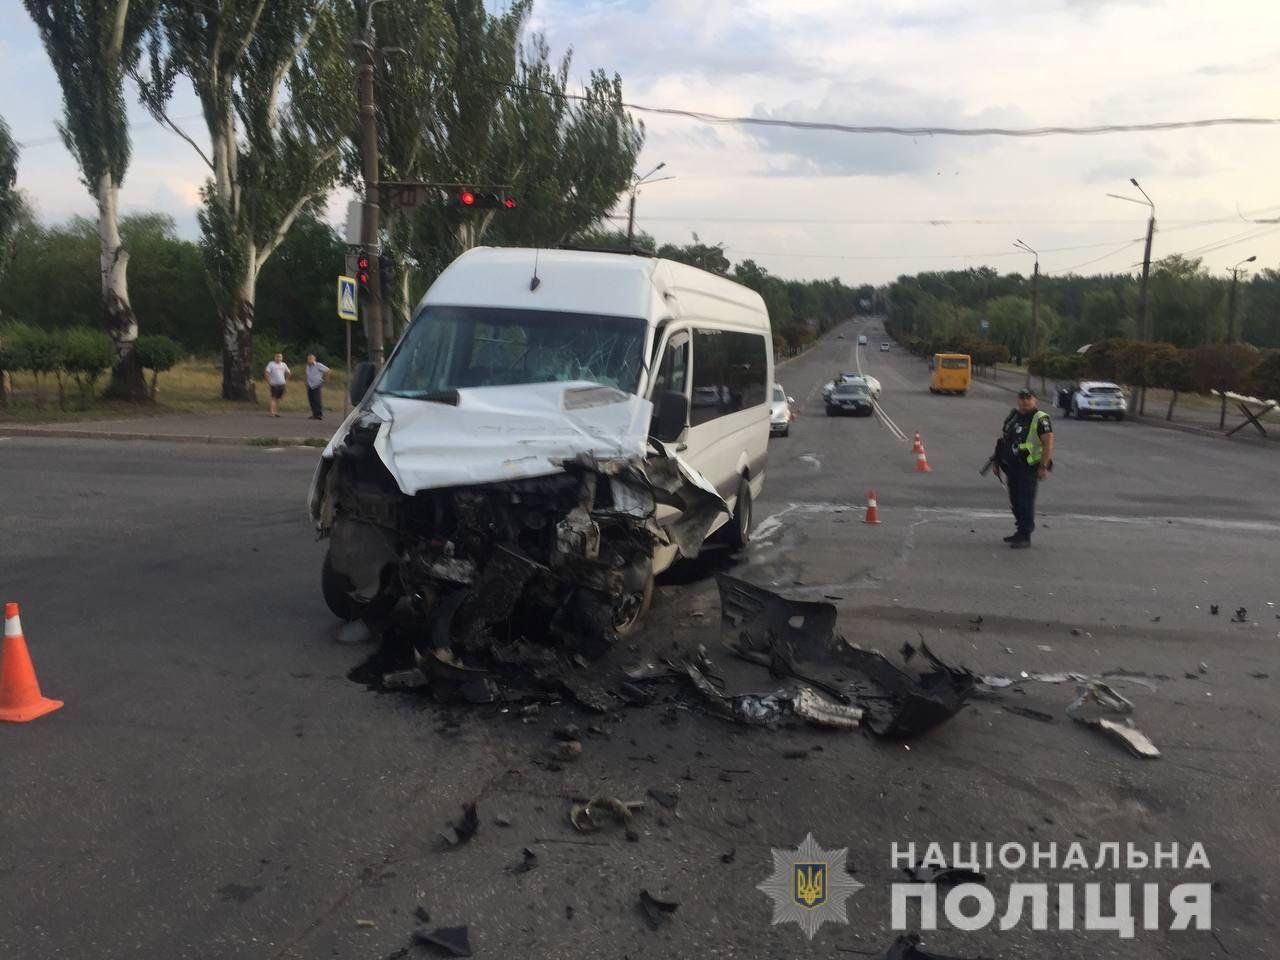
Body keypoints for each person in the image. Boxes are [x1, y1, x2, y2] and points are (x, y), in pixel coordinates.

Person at [994, 388, 1055, 549]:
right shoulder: (1014, 416)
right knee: (1015, 501)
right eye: (1022, 398)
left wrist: (1043, 466)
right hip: (1012, 466)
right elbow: (1004, 440)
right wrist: (997, 461)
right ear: (1018, 400)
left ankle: (1025, 535)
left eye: (1029, 398)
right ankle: (1020, 531)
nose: (1025, 401)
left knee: (1025, 502)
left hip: (1029, 468)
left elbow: (1048, 443)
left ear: (1035, 400)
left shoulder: (1040, 418)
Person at [304, 354, 330, 420]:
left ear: (314, 359)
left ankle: (319, 415)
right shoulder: (307, 366)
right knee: (311, 400)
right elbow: (307, 375)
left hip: (316, 384)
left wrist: (324, 379)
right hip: (310, 385)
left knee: (317, 400)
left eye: (311, 358)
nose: (309, 360)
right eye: (308, 359)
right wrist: (306, 383)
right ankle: (314, 414)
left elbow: (327, 370)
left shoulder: (318, 365)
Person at [264, 353, 290, 417]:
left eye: (280, 357)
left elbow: (288, 372)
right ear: (275, 357)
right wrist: (269, 381)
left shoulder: (283, 364)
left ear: (282, 358)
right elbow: (266, 372)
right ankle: (272, 412)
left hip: (282, 384)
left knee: (278, 399)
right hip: (274, 384)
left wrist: (286, 380)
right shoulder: (271, 364)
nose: (278, 358)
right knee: (273, 398)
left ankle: (276, 412)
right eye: (277, 357)